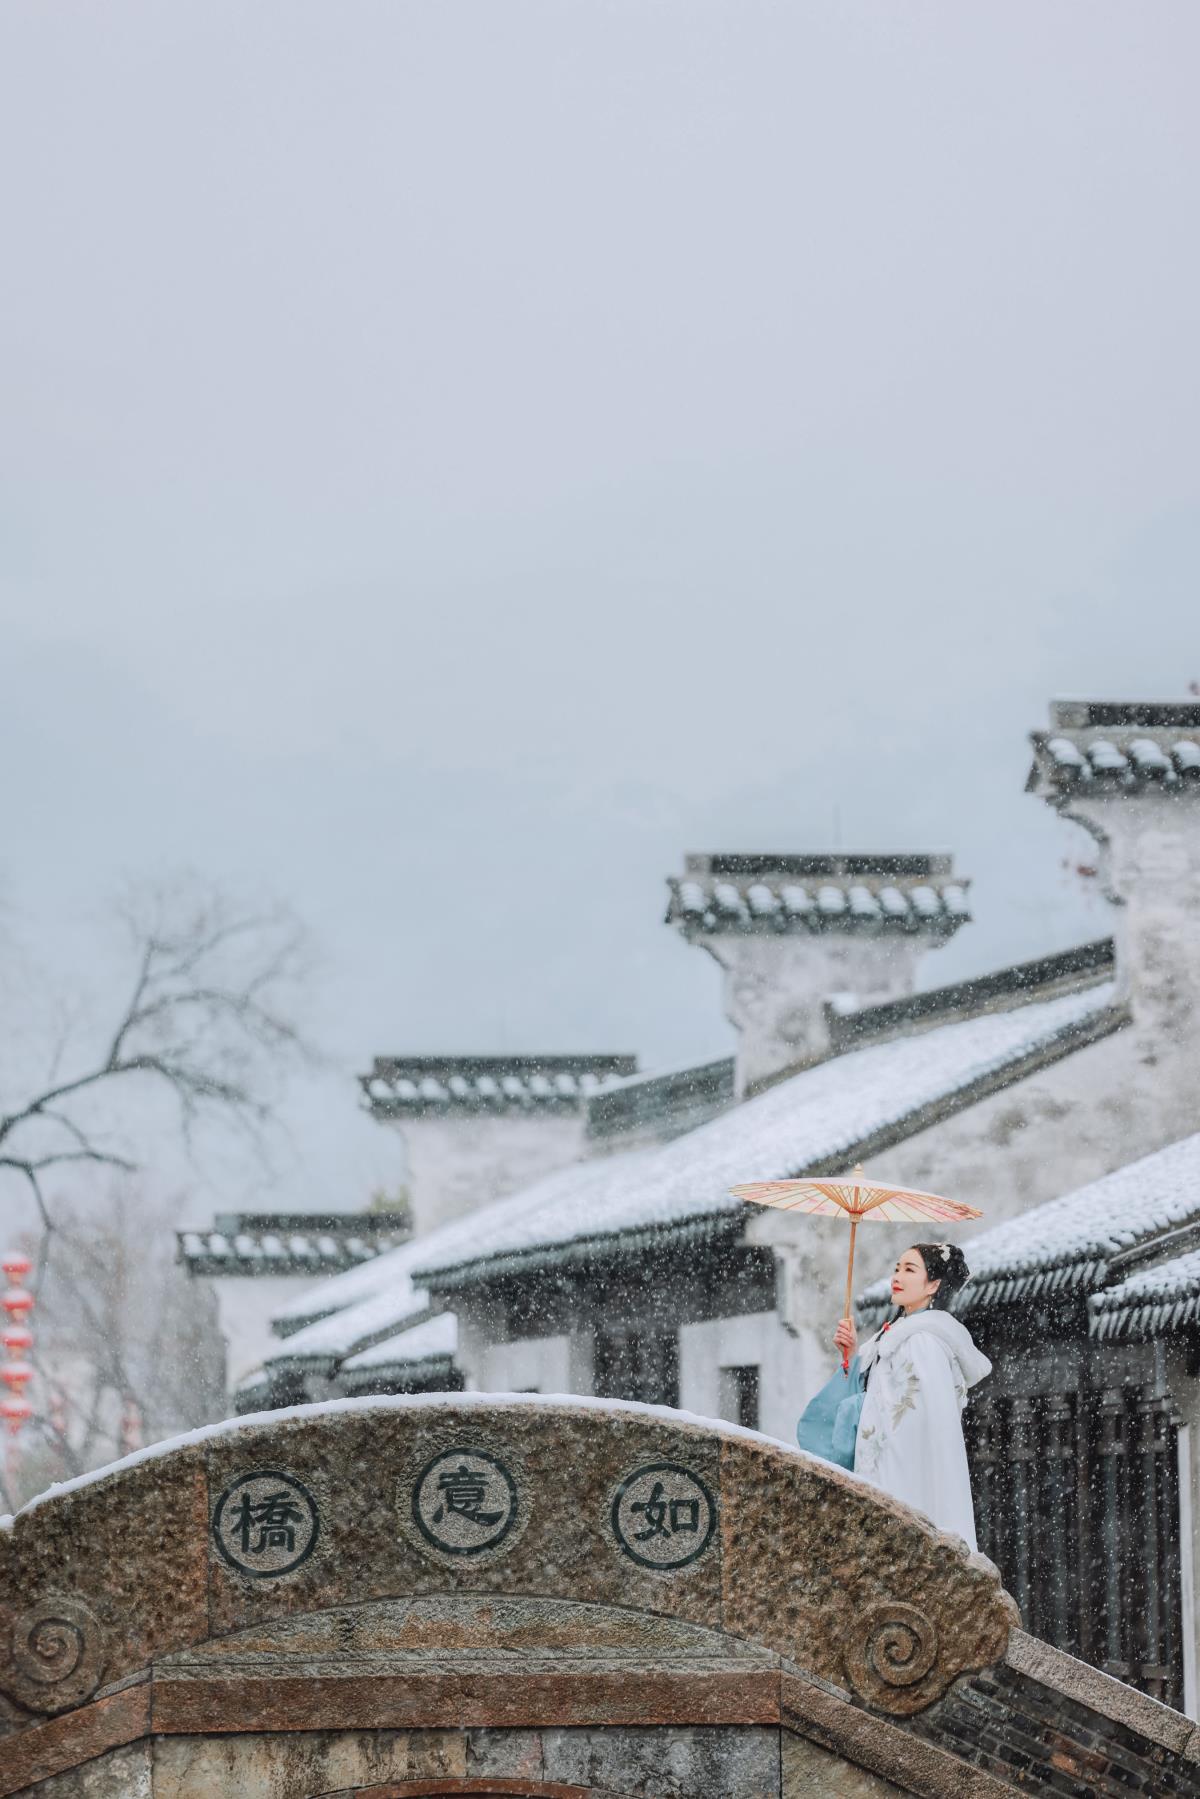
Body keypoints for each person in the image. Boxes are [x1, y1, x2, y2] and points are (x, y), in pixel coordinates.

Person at [833, 1242, 991, 1550]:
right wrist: (851, 1354)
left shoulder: (923, 1342)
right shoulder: (894, 1337)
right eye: (896, 1268)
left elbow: (921, 1425)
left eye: (909, 1269)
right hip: (886, 1465)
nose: (897, 1276)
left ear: (933, 1285)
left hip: (904, 1471)